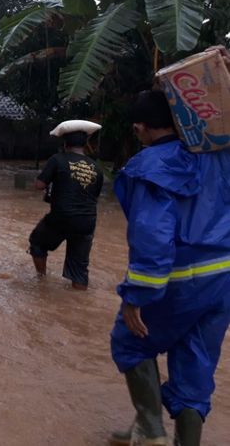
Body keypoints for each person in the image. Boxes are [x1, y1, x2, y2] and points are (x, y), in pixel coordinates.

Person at [108, 89, 230, 446]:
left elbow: (152, 236)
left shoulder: (151, 165)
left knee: (130, 344)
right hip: (222, 280)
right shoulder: (216, 156)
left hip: (179, 279)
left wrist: (136, 295)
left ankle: (151, 430)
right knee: (197, 362)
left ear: (140, 128)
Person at [28, 122, 103, 290]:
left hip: (62, 216)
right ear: (84, 144)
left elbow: (40, 185)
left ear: (65, 143)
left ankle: (41, 281)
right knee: (79, 268)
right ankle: (79, 300)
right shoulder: (96, 167)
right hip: (87, 221)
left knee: (37, 242)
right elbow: (94, 195)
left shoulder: (57, 159)